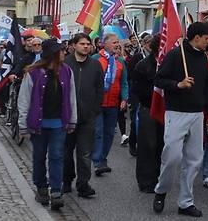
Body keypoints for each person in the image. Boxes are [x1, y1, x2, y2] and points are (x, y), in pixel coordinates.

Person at [153, 22, 208, 217]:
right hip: (176, 112)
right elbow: (159, 79)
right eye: (207, 38)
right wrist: (178, 84)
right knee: (172, 156)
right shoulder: (175, 54)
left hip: (197, 114)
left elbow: (207, 87)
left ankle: (185, 202)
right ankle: (161, 190)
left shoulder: (203, 58)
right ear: (196, 37)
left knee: (194, 160)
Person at [18, 38, 77, 210]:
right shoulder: (33, 72)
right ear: (53, 54)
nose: (64, 52)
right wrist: (23, 124)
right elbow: (24, 99)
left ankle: (56, 190)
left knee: (57, 156)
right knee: (38, 156)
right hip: (39, 123)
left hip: (59, 123)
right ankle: (41, 187)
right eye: (61, 50)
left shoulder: (67, 71)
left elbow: (71, 97)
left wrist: (72, 119)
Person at [62, 33, 103, 198]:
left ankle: (83, 184)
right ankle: (66, 179)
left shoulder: (95, 65)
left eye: (88, 44)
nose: (86, 46)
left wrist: (94, 110)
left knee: (85, 153)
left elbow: (100, 89)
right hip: (67, 117)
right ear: (74, 45)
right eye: (82, 44)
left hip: (87, 117)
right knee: (66, 151)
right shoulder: (65, 64)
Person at [91, 33, 128, 176]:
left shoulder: (121, 62)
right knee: (98, 132)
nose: (117, 45)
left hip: (113, 103)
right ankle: (97, 161)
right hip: (98, 103)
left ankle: (103, 158)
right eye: (114, 42)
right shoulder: (96, 59)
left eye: (118, 42)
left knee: (109, 133)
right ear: (104, 44)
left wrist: (124, 98)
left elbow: (124, 82)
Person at [131, 34, 164, 193]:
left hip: (166, 111)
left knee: (162, 146)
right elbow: (137, 89)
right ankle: (146, 181)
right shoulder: (143, 65)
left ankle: (160, 177)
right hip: (148, 109)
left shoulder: (168, 64)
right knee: (148, 145)